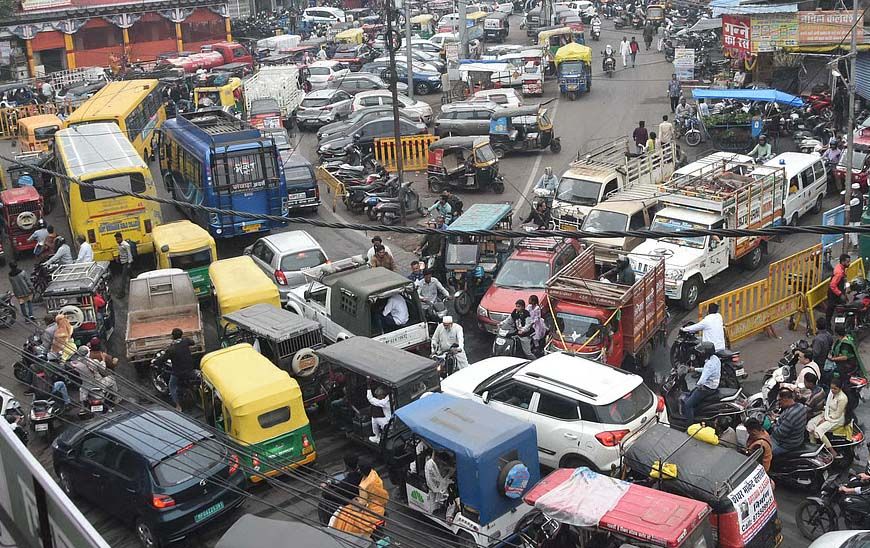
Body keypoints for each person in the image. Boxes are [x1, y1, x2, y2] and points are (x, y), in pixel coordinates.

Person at [329, 458, 389, 537]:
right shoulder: (374, 474)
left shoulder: (363, 486)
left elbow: (362, 504)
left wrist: (354, 501)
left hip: (370, 510)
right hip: (379, 507)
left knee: (342, 517)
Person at [152, 328, 196, 412]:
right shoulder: (185, 341)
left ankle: (178, 406)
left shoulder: (171, 349)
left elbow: (163, 359)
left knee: (171, 386)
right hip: (190, 367)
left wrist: (156, 362)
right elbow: (192, 342)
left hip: (179, 371)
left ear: (172, 336)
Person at [681, 341, 720, 424]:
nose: (701, 352)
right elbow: (706, 370)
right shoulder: (715, 359)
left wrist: (697, 385)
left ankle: (689, 425)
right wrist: (694, 369)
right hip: (713, 385)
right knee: (691, 394)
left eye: (702, 351)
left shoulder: (709, 364)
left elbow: (702, 380)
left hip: (707, 388)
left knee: (688, 405)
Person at [807, 378, 848, 456]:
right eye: (831, 388)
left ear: (840, 388)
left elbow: (837, 414)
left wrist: (825, 419)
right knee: (810, 424)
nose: (832, 390)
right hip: (827, 414)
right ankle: (813, 447)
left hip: (836, 419)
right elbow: (827, 406)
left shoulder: (843, 398)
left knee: (818, 430)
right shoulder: (831, 394)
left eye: (835, 389)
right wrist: (824, 416)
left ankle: (832, 451)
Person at [769, 388, 808, 457]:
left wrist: (772, 422)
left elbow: (779, 434)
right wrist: (778, 418)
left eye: (780, 400)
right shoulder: (801, 406)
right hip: (798, 439)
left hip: (786, 444)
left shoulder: (790, 415)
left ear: (785, 399)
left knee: (764, 451)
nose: (779, 403)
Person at [826, 253, 851, 326]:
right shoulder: (839, 272)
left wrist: (847, 288)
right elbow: (833, 285)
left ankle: (840, 325)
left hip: (838, 293)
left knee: (842, 308)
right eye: (847, 262)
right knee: (831, 310)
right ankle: (829, 326)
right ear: (843, 262)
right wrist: (840, 294)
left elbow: (845, 280)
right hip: (834, 294)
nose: (849, 263)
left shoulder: (842, 268)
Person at [115, 232, 133, 298]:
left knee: (123, 279)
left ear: (121, 238)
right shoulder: (119, 245)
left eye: (118, 239)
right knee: (132, 277)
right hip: (123, 263)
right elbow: (122, 253)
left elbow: (129, 254)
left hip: (126, 263)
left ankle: (122, 293)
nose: (117, 241)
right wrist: (118, 257)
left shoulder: (126, 245)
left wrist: (129, 263)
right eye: (116, 239)